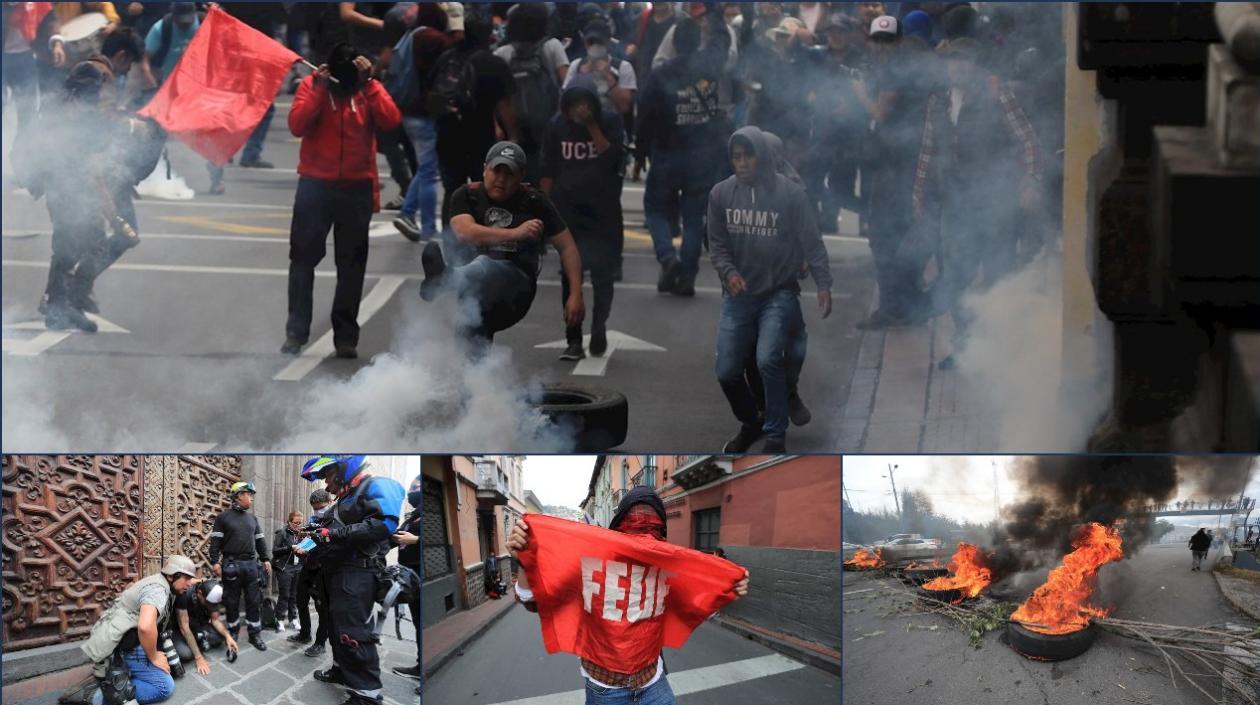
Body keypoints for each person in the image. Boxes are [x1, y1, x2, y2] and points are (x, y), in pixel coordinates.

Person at [507, 487, 750, 705]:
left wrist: (728, 587)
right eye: (635, 523)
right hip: (606, 691)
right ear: (619, 525)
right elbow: (534, 601)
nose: (645, 534)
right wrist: (525, 559)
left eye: (653, 527)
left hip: (653, 683)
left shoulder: (667, 564)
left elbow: (693, 605)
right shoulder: (590, 559)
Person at [912, 37, 1041, 369]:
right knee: (956, 274)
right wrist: (919, 192)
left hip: (995, 200)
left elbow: (1028, 140)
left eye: (964, 60)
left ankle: (1001, 349)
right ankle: (966, 347)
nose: (957, 66)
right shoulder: (938, 100)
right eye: (951, 60)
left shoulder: (998, 93)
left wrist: (1030, 178)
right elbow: (927, 149)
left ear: (975, 64)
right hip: (955, 202)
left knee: (998, 272)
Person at [14, 48, 159, 334]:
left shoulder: (68, 108)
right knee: (84, 244)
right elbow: (90, 168)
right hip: (68, 186)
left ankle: (58, 306)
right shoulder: (74, 120)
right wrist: (110, 209)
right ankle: (60, 304)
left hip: (65, 185)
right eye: (93, 94)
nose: (97, 99)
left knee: (69, 246)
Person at [709, 126, 833, 453]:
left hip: (778, 292)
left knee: (768, 359)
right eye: (736, 157)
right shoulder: (720, 194)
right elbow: (717, 246)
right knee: (727, 371)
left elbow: (811, 240)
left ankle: (776, 435)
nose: (742, 163)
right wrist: (729, 273)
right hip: (738, 297)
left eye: (748, 156)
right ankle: (752, 421)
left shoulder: (791, 193)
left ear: (762, 157)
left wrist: (823, 282)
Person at [282, 42, 402, 359]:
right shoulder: (313, 85)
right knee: (302, 260)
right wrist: (320, 91)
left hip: (356, 188)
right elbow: (297, 125)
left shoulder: (367, 90)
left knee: (351, 266)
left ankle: (346, 337)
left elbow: (391, 121)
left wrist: (370, 83)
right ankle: (295, 332)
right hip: (315, 186)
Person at [418, 141, 585, 347]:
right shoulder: (467, 195)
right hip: (473, 295)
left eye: (509, 174)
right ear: (485, 169)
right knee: (469, 350)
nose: (501, 179)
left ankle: (447, 279)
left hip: (515, 292)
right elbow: (464, 232)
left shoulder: (534, 201)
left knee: (487, 264)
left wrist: (575, 294)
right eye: (496, 171)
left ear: (521, 176)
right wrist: (516, 233)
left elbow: (568, 248)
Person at [299, 455, 406, 705]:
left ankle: (366, 695)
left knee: (353, 631)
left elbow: (383, 525)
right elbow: (325, 533)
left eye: (328, 475)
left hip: (356, 573)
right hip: (332, 574)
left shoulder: (376, 485)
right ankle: (340, 669)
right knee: (336, 628)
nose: (326, 483)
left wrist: (331, 535)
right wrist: (310, 542)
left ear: (343, 470)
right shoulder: (343, 500)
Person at [634, 17, 726, 297]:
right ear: (699, 41)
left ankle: (666, 256)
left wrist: (640, 153)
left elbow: (644, 116)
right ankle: (687, 275)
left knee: (655, 209)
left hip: (667, 153)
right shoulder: (710, 67)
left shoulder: (660, 75)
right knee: (694, 217)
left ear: (673, 42)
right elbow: (723, 39)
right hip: (702, 155)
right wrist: (715, 13)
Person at [541, 73, 624, 361]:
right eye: (574, 103)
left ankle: (599, 326)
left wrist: (591, 125)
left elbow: (612, 158)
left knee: (603, 275)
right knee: (570, 276)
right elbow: (548, 169)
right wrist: (544, 209)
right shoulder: (556, 126)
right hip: (569, 211)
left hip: (603, 211)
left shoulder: (610, 121)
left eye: (585, 103)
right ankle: (573, 339)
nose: (580, 108)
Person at [433, 14, 519, 227]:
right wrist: (513, 136)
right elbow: (504, 105)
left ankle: (450, 239)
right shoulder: (493, 63)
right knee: (483, 191)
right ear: (488, 35)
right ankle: (479, 238)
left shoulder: (447, 58)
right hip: (480, 137)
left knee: (452, 191)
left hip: (447, 135)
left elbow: (430, 91)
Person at [76, 556, 196, 705]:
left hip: (126, 638)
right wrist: (154, 657)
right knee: (164, 687)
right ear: (171, 576)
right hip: (125, 645)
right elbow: (145, 627)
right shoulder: (157, 590)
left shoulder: (159, 581)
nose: (190, 583)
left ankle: (116, 677)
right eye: (187, 578)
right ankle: (99, 694)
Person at [391, 3, 453, 242]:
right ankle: (426, 226)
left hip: (408, 110)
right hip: (424, 113)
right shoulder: (431, 38)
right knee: (428, 171)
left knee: (425, 167)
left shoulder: (411, 35)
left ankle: (408, 212)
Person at [493, 2, 568, 186]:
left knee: (516, 176)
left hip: (514, 127)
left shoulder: (503, 53)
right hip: (548, 124)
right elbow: (567, 84)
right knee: (546, 175)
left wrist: (497, 126)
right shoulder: (552, 46)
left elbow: (495, 95)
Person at [218, 3, 287, 168]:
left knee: (235, 102)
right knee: (264, 107)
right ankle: (249, 154)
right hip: (257, 52)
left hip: (236, 51)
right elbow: (281, 16)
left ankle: (224, 149)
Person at [208, 481, 272, 652]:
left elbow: (260, 540)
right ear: (238, 496)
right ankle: (233, 631)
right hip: (231, 565)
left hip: (251, 565)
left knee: (254, 600)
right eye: (248, 495)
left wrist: (265, 559)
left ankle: (254, 634)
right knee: (231, 601)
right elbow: (215, 542)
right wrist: (215, 561)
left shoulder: (253, 519)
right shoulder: (223, 518)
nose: (251, 498)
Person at [287, 488, 335, 657]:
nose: (318, 511)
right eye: (315, 508)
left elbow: (329, 542)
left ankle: (320, 643)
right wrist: (302, 544)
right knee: (301, 601)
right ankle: (304, 634)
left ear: (330, 502)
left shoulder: (336, 519)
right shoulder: (313, 520)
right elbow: (309, 540)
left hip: (324, 570)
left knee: (322, 608)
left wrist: (308, 546)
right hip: (307, 567)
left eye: (321, 507)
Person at [390, 475, 422, 685]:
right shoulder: (412, 518)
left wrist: (417, 539)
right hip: (410, 578)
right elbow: (394, 537)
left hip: (421, 575)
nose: (411, 491)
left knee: (422, 622)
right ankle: (420, 667)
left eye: (416, 487)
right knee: (418, 623)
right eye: (411, 487)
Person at [171, 579, 239, 675]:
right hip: (181, 629)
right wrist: (199, 657)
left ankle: (197, 640)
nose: (210, 607)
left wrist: (228, 637)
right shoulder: (185, 595)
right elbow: (184, 628)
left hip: (198, 626)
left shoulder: (212, 597)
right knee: (186, 654)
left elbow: (215, 620)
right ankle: (196, 643)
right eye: (208, 603)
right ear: (199, 593)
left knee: (221, 636)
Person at [271, 511, 306, 632]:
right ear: (289, 522)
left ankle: (293, 619)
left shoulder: (302, 534)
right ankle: (280, 619)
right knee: (285, 594)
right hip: (285, 567)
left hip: (298, 567)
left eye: (300, 523)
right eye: (296, 523)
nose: (298, 525)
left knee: (294, 595)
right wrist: (289, 548)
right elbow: (275, 550)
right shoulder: (282, 533)